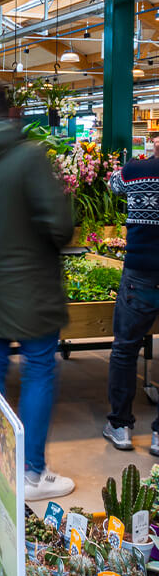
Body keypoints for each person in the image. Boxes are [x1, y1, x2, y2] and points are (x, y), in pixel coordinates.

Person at [0, 86, 75, 500]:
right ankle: (31, 471)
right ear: (11, 112)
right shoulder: (30, 156)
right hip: (35, 282)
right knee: (40, 367)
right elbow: (59, 225)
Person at [103, 150, 159, 454]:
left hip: (139, 273)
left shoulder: (136, 169)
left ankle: (121, 426)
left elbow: (113, 184)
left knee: (125, 349)